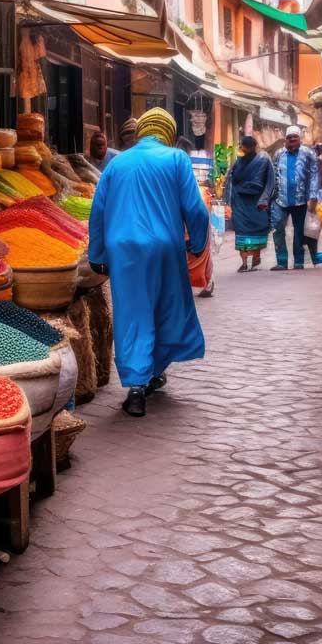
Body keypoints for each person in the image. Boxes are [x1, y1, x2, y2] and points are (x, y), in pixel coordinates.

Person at [88, 107, 209, 418]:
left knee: (132, 312)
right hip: (165, 248)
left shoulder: (117, 164)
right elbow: (195, 209)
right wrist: (196, 243)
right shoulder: (176, 159)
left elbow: (98, 212)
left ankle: (138, 384)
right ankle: (151, 372)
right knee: (167, 307)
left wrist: (97, 255)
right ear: (167, 132)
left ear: (141, 131)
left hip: (124, 250)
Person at [270, 125, 320, 271]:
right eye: (289, 137)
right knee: (277, 226)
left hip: (301, 199)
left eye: (294, 137)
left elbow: (315, 174)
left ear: (300, 139)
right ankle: (281, 261)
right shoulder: (279, 154)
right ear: (285, 139)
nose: (292, 139)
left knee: (299, 231)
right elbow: (273, 174)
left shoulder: (308, 153)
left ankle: (299, 261)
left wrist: (313, 195)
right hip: (280, 199)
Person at [222, 134, 274, 272]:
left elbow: (230, 182)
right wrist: (266, 199)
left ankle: (244, 263)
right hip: (257, 203)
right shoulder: (263, 160)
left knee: (242, 232)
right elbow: (271, 182)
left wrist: (227, 200)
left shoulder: (238, 163)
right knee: (257, 230)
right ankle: (255, 260)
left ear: (243, 148)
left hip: (240, 203)